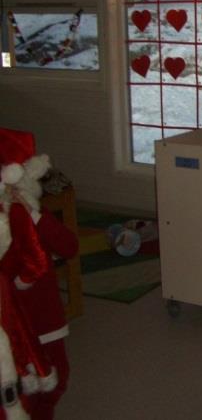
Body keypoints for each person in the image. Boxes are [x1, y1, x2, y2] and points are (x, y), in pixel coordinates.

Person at [0, 127, 78, 419]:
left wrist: (34, 215)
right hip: (23, 321)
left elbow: (68, 246)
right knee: (36, 385)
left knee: (51, 380)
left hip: (42, 316)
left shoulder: (31, 215)